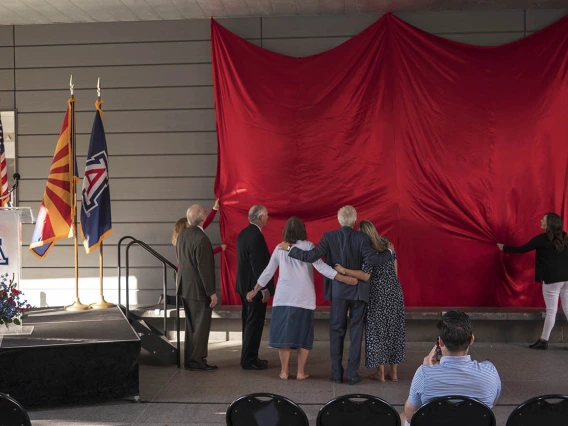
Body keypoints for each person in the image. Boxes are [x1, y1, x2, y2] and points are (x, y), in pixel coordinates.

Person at [278, 206, 394, 385]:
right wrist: (389, 253)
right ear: (354, 221)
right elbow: (372, 260)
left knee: (336, 332)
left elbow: (311, 256)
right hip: (358, 292)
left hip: (339, 292)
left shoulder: (329, 237)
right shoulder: (362, 238)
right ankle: (353, 375)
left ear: (339, 220)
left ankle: (336, 374)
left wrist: (290, 249)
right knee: (356, 334)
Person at [246, 217, 357, 380]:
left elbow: (268, 272)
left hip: (283, 298)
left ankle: (284, 372)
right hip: (304, 298)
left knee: (283, 337)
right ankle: (300, 372)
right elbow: (322, 267)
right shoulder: (309, 246)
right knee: (303, 336)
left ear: (286, 231)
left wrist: (255, 290)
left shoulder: (280, 248)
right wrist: (344, 278)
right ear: (302, 230)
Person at [400, 310, 501, 426]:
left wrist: (426, 368)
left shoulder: (423, 373)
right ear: (471, 339)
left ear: (440, 342)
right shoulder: (490, 371)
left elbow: (410, 415)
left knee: (403, 417)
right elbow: (491, 404)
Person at [335, 220, 405, 382]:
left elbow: (366, 275)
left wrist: (344, 270)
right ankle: (393, 372)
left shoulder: (368, 250)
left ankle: (380, 373)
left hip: (377, 294)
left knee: (377, 332)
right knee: (394, 331)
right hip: (395, 292)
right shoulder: (388, 244)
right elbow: (395, 271)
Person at [498, 212, 568, 350]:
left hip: (552, 280)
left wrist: (504, 247)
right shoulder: (565, 237)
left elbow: (522, 249)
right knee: (567, 308)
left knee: (551, 311)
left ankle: (543, 340)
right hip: (567, 279)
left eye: (544, 219)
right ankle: (543, 340)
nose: (541, 220)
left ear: (550, 224)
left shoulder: (542, 239)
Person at [175, 204, 218, 371]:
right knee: (201, 326)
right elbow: (204, 269)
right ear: (203, 217)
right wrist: (211, 293)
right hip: (198, 290)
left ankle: (191, 360)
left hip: (184, 287)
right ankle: (197, 361)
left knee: (191, 325)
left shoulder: (182, 236)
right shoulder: (202, 239)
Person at [236, 205, 275, 370]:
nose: (267, 217)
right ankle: (249, 359)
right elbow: (258, 266)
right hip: (254, 288)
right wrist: (262, 289)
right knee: (254, 323)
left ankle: (248, 356)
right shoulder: (256, 236)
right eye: (266, 215)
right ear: (259, 218)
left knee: (248, 323)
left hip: (243, 286)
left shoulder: (243, 233)